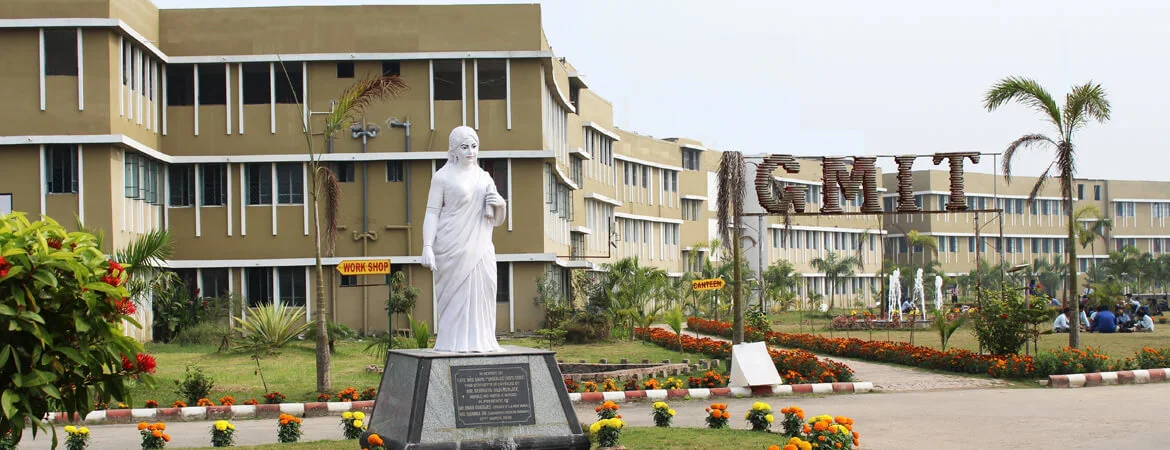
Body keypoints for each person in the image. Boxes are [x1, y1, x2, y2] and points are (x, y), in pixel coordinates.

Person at [420, 126, 507, 353]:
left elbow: (496, 220)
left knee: (485, 289)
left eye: (474, 146)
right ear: (454, 149)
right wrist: (427, 246)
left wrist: (500, 203)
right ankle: (453, 342)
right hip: (452, 246)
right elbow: (431, 213)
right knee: (457, 297)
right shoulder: (442, 177)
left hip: (481, 245)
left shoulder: (484, 177)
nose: (471, 152)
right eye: (465, 147)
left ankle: (482, 341)